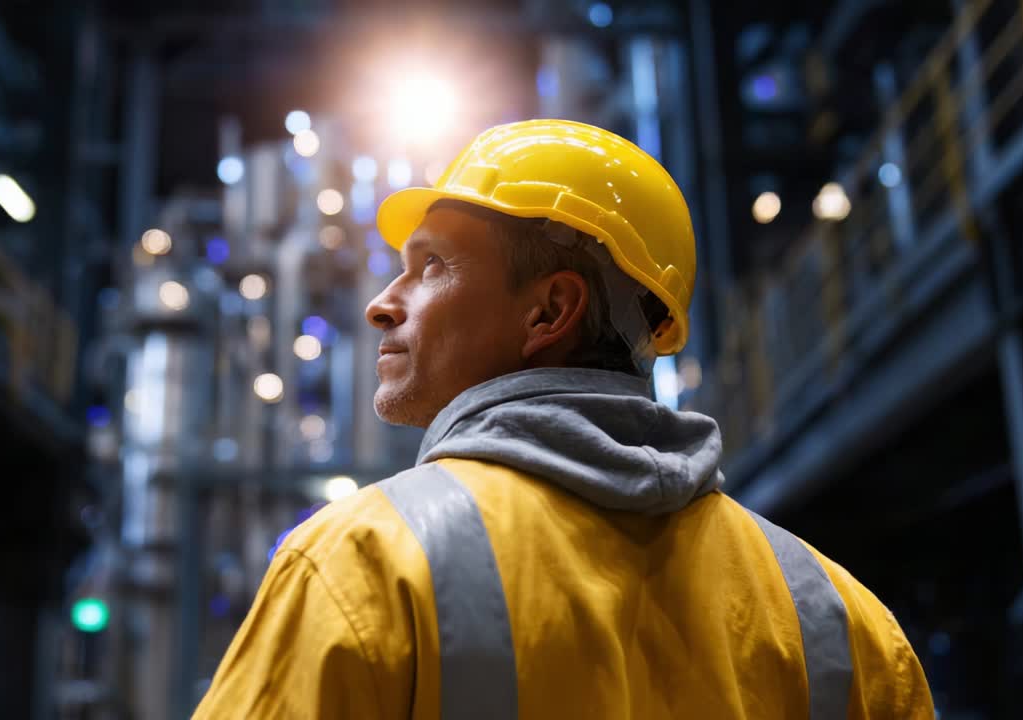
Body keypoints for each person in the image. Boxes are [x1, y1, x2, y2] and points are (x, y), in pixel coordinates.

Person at [193, 119, 934, 719]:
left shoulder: (367, 563)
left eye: (431, 268)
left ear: (550, 310)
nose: (383, 302)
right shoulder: (841, 621)